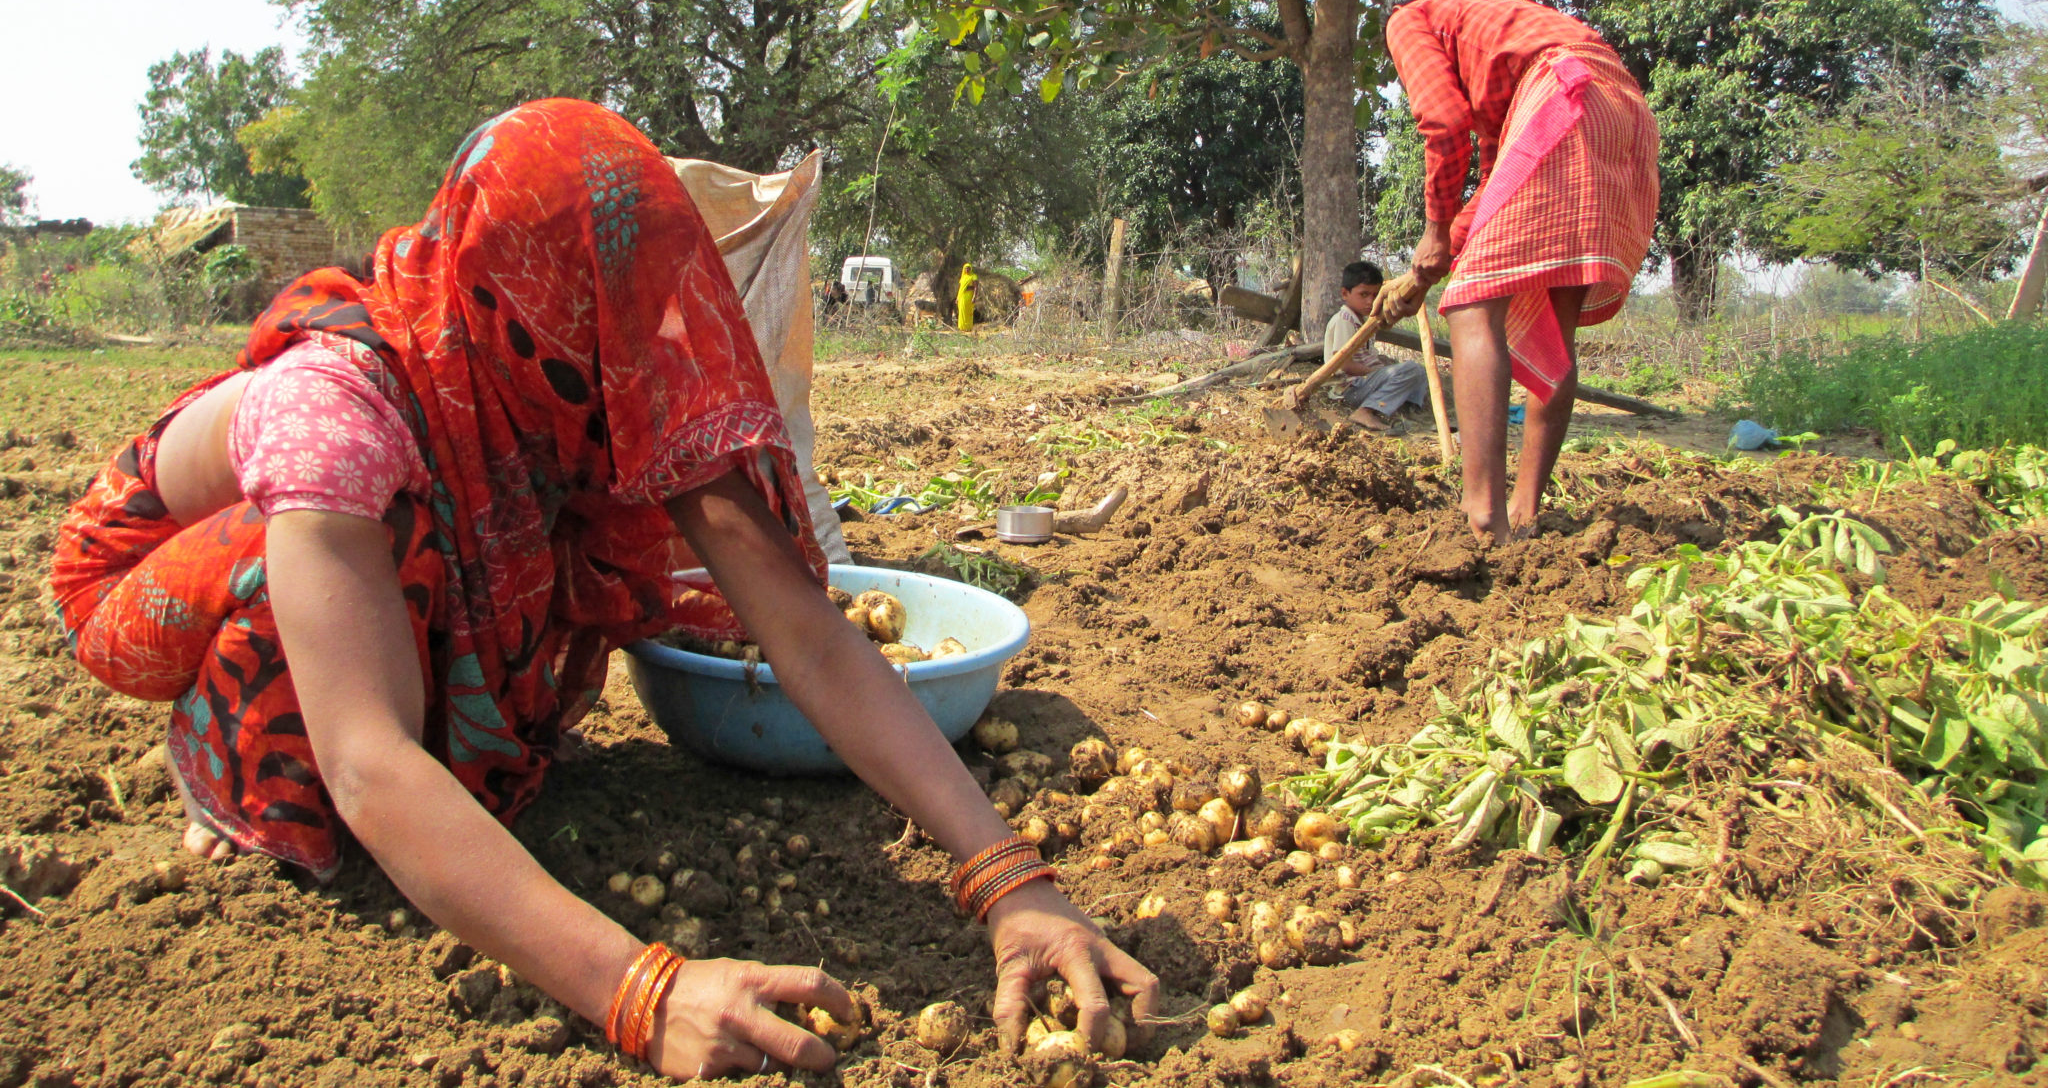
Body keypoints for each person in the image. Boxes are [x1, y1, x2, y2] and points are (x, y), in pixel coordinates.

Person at [50, 99, 1156, 1079]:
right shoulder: (336, 410)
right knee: (369, 573)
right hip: (158, 585)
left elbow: (806, 635)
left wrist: (1012, 882)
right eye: (591, 318)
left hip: (370, 550)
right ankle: (231, 782)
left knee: (528, 547)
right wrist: (640, 988)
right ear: (505, 288)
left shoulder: (594, 378)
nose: (628, 357)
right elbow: (366, 759)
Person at [1375, 0, 1659, 541]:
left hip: (1562, 98)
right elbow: (1490, 190)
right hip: (1620, 114)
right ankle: (1525, 513)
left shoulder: (1411, 17)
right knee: (1555, 324)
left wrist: (1433, 233)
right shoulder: (1503, 36)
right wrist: (1421, 271)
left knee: (1473, 303)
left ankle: (1483, 514)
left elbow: (1444, 123)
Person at [1322, 260, 1430, 434]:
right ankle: (1365, 411)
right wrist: (1377, 373)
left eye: (1375, 295)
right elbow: (1344, 365)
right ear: (1345, 293)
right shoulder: (1344, 320)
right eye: (1363, 294)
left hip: (1364, 383)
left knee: (1420, 372)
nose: (1370, 301)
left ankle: (1406, 411)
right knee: (1411, 369)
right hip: (1350, 387)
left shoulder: (1363, 322)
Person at [956, 262, 978, 332]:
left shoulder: (973, 276)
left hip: (969, 295)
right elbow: (960, 288)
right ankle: (962, 327)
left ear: (970, 269)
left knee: (968, 311)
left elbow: (976, 287)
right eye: (966, 268)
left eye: (968, 268)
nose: (967, 270)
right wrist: (957, 298)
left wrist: (974, 296)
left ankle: (968, 327)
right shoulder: (963, 277)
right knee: (962, 311)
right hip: (962, 296)